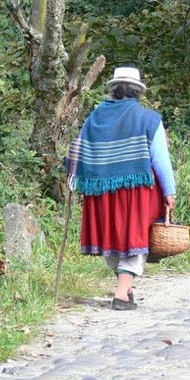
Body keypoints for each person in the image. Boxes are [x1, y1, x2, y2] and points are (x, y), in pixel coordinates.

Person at [65, 66, 176, 310]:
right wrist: (169, 191)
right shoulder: (148, 119)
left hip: (102, 192)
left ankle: (125, 288)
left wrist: (75, 176)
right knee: (133, 238)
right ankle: (121, 295)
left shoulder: (95, 118)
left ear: (114, 90)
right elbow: (160, 159)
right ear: (138, 92)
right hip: (135, 193)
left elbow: (78, 150)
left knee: (113, 239)